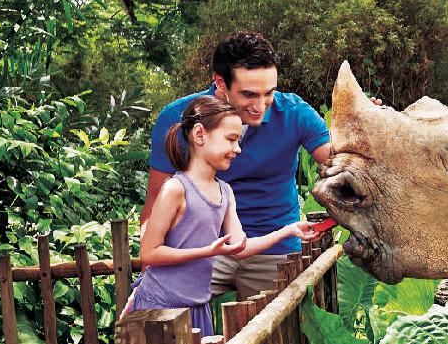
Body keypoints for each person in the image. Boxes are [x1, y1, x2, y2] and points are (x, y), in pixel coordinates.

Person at [141, 31, 331, 301]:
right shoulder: (177, 117)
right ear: (220, 82)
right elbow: (153, 202)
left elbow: (341, 164)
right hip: (202, 249)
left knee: (276, 338)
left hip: (273, 248)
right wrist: (150, 280)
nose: (260, 105)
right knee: (175, 330)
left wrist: (365, 130)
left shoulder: (294, 113)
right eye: (249, 95)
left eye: (269, 93)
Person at [127, 96, 319, 335]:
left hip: (198, 307)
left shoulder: (225, 191)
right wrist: (209, 251)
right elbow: (150, 252)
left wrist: (288, 231)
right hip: (162, 305)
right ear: (199, 135)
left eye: (239, 141)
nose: (237, 149)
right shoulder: (175, 188)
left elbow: (241, 247)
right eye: (231, 140)